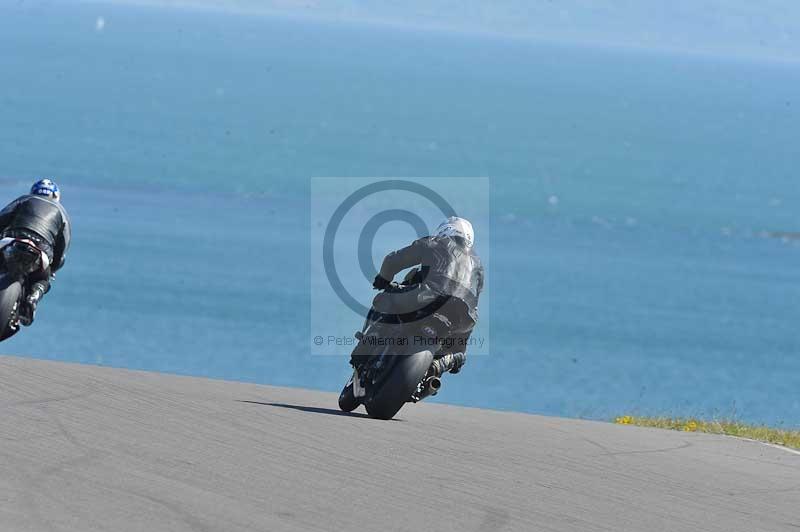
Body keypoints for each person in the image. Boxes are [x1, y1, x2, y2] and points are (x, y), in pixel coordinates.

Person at [366, 216, 484, 375]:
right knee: (457, 349)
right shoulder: (478, 266)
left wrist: (383, 279)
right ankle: (447, 361)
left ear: (445, 230)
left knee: (385, 297)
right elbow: (474, 301)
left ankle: (371, 339)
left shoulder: (435, 242)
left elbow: (394, 259)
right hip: (464, 315)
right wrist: (459, 350)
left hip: (430, 297)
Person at [0, 179, 71, 324]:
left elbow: (2, 218)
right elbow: (62, 248)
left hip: (14, 238)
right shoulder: (62, 213)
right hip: (42, 249)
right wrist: (52, 269)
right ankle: (33, 296)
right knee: (43, 279)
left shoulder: (25, 199)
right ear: (56, 197)